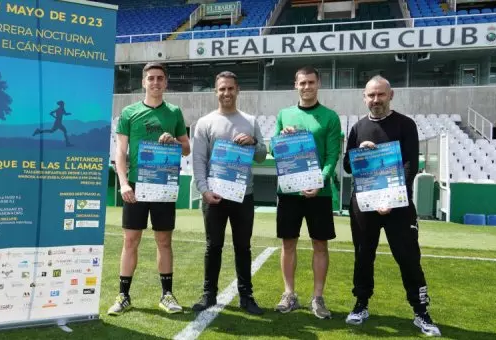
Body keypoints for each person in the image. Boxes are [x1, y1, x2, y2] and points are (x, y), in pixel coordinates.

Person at [342, 75, 441, 337]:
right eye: (371, 95)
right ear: (364, 97)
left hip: (398, 206)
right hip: (364, 204)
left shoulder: (405, 125)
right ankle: (361, 304)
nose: (376, 100)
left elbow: (410, 164)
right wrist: (360, 152)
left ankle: (421, 311)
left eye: (380, 95)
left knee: (408, 257)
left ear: (390, 95)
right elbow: (348, 166)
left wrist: (392, 198)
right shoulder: (358, 128)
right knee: (363, 255)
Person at [107, 62, 191, 316]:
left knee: (164, 240)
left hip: (163, 184)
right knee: (130, 240)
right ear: (143, 82)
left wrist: (175, 141)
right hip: (135, 185)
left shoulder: (174, 112)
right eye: (151, 78)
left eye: (160, 78)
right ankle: (123, 296)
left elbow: (186, 148)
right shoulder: (129, 112)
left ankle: (167, 295)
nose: (155, 82)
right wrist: (123, 183)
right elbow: (121, 152)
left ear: (166, 83)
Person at [190, 71, 267, 315]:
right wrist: (203, 190)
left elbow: (263, 155)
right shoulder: (205, 122)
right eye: (222, 89)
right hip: (215, 196)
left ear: (238, 90)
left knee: (243, 247)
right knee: (213, 246)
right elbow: (199, 160)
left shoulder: (250, 120)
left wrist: (254, 142)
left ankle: (246, 296)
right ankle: (209, 294)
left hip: (244, 194)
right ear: (216, 91)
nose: (226, 93)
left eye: (230, 88)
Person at [272, 66, 341, 319]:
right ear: (296, 85)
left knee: (320, 244)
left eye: (311, 82)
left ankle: (318, 297)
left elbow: (333, 154)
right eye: (302, 83)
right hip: (289, 192)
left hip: (319, 194)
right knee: (288, 243)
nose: (306, 87)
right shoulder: (284, 114)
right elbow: (274, 147)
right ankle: (289, 294)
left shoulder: (330, 117)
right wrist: (280, 135)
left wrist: (320, 180)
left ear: (318, 84)